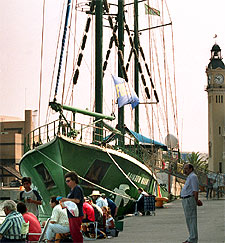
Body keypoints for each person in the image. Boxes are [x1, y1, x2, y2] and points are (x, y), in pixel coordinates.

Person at [60, 171, 84, 243]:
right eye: (66, 181)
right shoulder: (72, 189)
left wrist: (65, 199)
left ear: (74, 180)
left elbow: (77, 200)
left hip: (76, 214)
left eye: (68, 181)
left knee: (76, 233)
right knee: (74, 233)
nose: (67, 183)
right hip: (72, 214)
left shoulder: (77, 188)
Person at [181, 163, 201, 243]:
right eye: (184, 168)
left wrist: (196, 201)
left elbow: (195, 190)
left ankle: (193, 239)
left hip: (189, 200)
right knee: (189, 220)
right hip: (186, 200)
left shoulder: (193, 177)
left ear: (191, 169)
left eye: (186, 168)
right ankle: (191, 237)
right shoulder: (190, 177)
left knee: (192, 219)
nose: (184, 170)